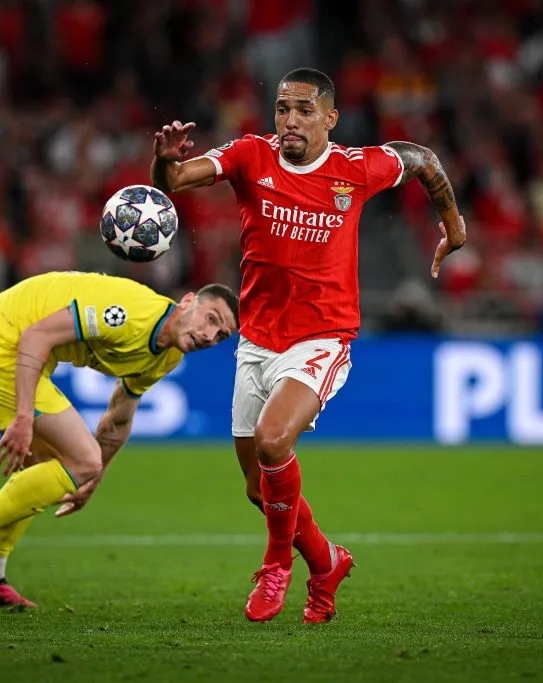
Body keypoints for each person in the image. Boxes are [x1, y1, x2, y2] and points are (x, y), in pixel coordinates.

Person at [150, 67, 467, 623]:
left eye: (302, 110)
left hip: (321, 338)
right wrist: (164, 158)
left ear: (330, 118)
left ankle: (277, 566)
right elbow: (172, 182)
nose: (289, 121)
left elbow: (422, 158)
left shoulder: (356, 168)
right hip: (256, 342)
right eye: (281, 109)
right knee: (257, 486)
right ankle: (326, 562)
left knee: (274, 441)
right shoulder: (252, 155)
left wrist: (453, 225)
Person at [0, 271, 239, 607]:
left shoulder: (169, 354)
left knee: (52, 466)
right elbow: (36, 336)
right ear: (189, 301)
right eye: (211, 319)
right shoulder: (129, 313)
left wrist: (94, 477)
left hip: (14, 346)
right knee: (81, 458)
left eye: (221, 335)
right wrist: (23, 417)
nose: (210, 336)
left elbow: (120, 414)